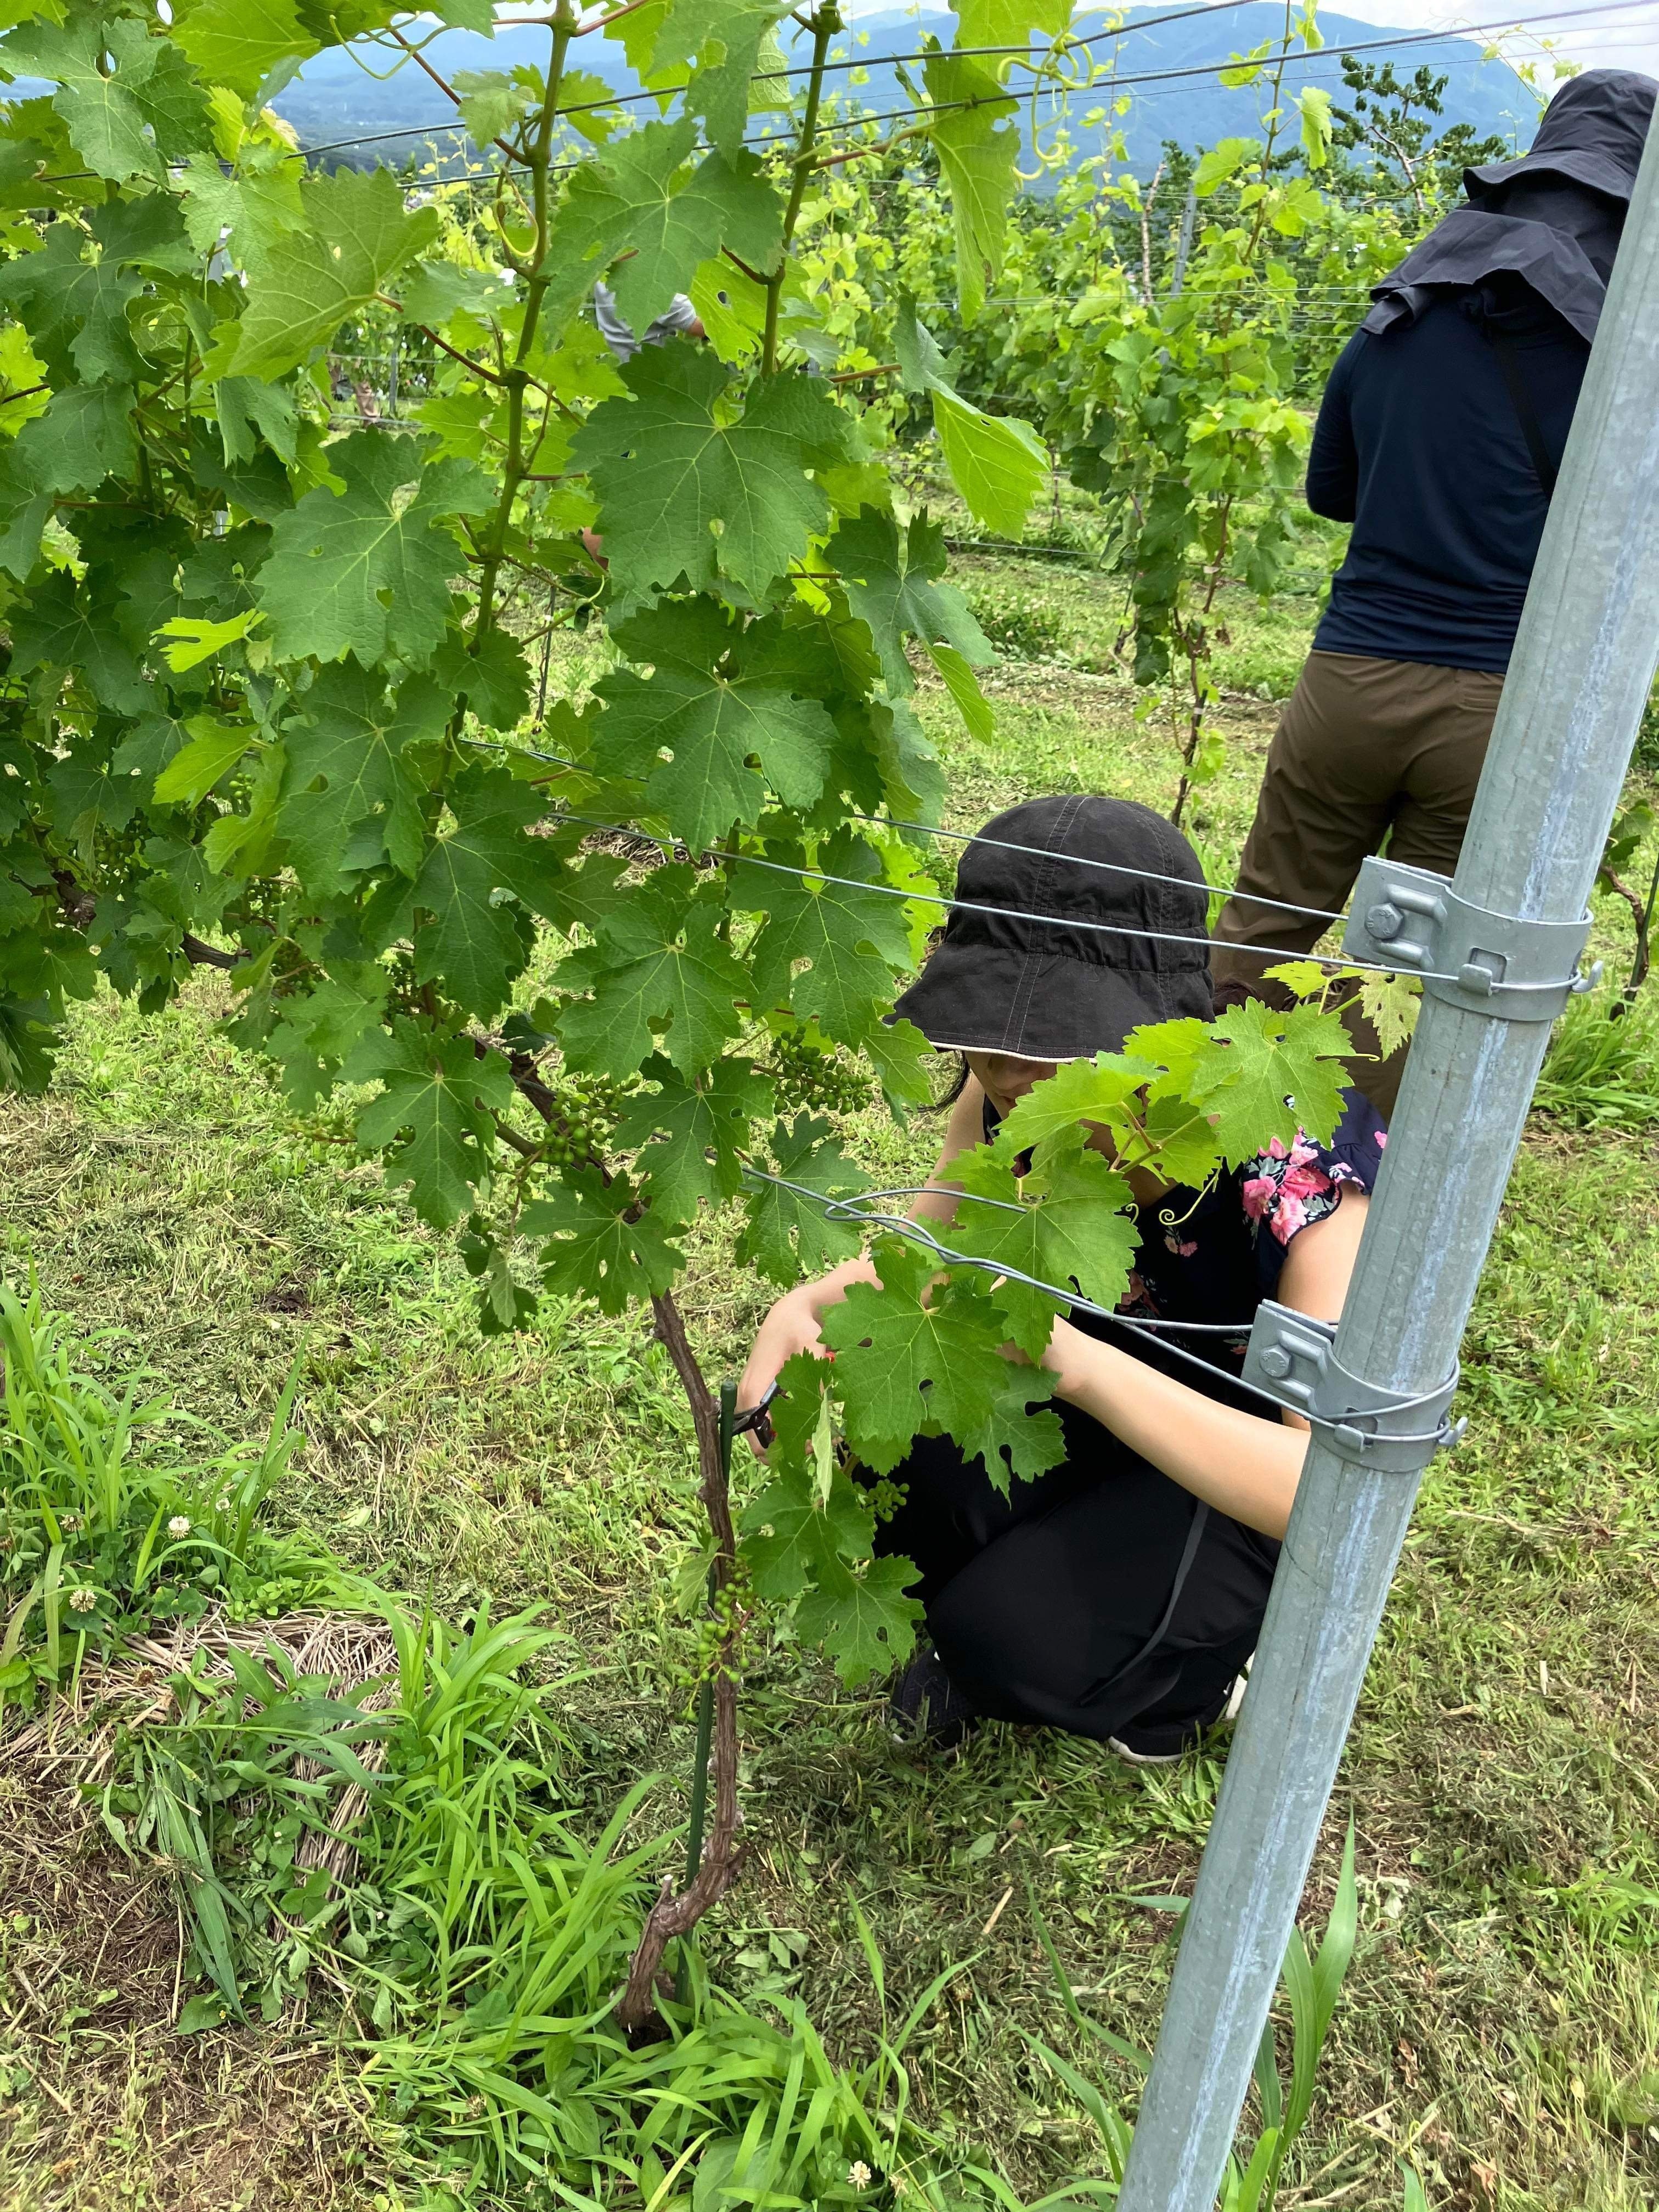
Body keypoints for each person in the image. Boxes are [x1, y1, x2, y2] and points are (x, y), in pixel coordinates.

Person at [738, 796, 1388, 1760]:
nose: (1000, 1066)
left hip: (1231, 1467)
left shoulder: (1297, 1171)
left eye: (1045, 1037)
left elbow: (1327, 1490)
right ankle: (993, 1594)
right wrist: (801, 1310)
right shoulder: (1004, 1091)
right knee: (866, 1401)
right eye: (985, 1024)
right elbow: (923, 1258)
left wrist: (1076, 1366)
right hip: (1084, 1394)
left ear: (1159, 1028)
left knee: (1016, 1640)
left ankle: (1188, 1685)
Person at [1210, 69, 1658, 1118]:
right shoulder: (1621, 355)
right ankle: (1338, 1199)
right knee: (1399, 975)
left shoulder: (1399, 314)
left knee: (1262, 926)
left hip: (1348, 679)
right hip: (1497, 708)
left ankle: (1192, 1140)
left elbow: (1332, 491)